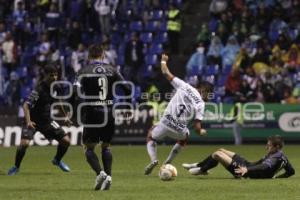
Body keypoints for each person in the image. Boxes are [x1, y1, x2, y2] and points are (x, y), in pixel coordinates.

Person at [144, 54, 212, 175]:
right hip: (179, 129)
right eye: (209, 93)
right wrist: (202, 132)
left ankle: (154, 159)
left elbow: (165, 73)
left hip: (165, 123)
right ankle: (167, 162)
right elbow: (197, 128)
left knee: (150, 136)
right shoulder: (201, 104)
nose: (209, 97)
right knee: (185, 137)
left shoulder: (184, 85)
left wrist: (164, 61)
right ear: (203, 90)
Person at [76, 44, 129, 191]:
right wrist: (128, 106)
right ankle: (109, 176)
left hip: (92, 113)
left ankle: (100, 174)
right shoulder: (113, 70)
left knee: (88, 148)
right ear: (103, 55)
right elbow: (128, 88)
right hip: (109, 112)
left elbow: (75, 92)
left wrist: (74, 111)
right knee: (106, 146)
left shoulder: (83, 71)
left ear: (88, 56)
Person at [7, 64, 72, 175]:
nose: (55, 78)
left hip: (47, 121)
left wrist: (65, 115)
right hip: (33, 121)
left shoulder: (55, 87)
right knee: (24, 144)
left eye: (56, 75)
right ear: (45, 75)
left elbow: (59, 101)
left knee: (66, 141)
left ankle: (57, 160)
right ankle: (16, 167)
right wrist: (28, 121)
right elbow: (26, 106)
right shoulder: (38, 90)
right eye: (52, 75)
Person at [182, 135, 295, 179]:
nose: (267, 147)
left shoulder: (275, 158)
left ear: (277, 147)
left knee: (217, 155)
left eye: (269, 146)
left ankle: (202, 170)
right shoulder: (282, 156)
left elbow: (263, 166)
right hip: (248, 165)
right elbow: (291, 172)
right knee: (221, 150)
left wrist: (246, 169)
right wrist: (277, 177)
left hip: (245, 173)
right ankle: (199, 165)